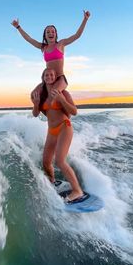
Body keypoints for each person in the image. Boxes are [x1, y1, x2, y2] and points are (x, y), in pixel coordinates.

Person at [31, 68, 87, 203]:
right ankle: (53, 182)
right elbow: (35, 114)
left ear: (56, 77)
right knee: (46, 162)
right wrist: (36, 104)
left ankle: (77, 191)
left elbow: (74, 111)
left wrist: (62, 99)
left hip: (64, 127)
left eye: (52, 74)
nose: (49, 76)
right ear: (43, 77)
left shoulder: (63, 92)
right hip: (52, 131)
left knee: (60, 161)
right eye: (46, 75)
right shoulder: (42, 94)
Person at [11, 10, 90, 99]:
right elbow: (29, 39)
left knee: (53, 94)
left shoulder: (61, 44)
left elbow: (77, 35)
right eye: (48, 32)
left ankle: (65, 111)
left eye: (53, 31)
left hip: (60, 78)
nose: (50, 33)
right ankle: (42, 112)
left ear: (56, 34)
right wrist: (18, 27)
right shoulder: (43, 47)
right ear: (45, 35)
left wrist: (85, 19)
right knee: (33, 95)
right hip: (48, 79)